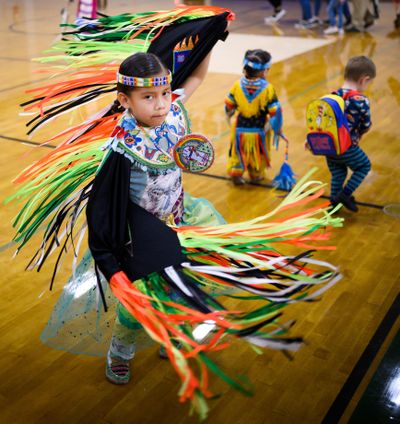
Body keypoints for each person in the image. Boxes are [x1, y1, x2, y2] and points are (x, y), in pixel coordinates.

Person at [88, 52, 225, 384]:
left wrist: (213, 38)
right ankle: (120, 351)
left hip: (178, 220)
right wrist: (113, 266)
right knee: (137, 307)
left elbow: (195, 78)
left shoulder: (173, 111)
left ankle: (172, 331)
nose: (161, 104)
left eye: (164, 93)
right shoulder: (122, 147)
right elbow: (101, 211)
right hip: (139, 239)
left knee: (182, 285)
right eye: (148, 97)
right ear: (125, 100)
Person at [225, 49, 283, 185]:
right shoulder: (268, 89)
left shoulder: (237, 85)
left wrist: (229, 117)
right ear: (264, 71)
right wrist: (275, 127)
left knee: (237, 152)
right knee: (258, 154)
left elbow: (229, 106)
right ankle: (255, 174)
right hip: (259, 130)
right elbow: (275, 112)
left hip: (239, 128)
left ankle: (236, 172)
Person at [326, 56, 376, 211]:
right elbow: (366, 125)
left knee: (338, 172)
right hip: (347, 146)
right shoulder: (361, 100)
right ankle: (344, 194)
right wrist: (360, 133)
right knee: (364, 166)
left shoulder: (332, 96)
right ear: (363, 80)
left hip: (330, 147)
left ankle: (334, 203)